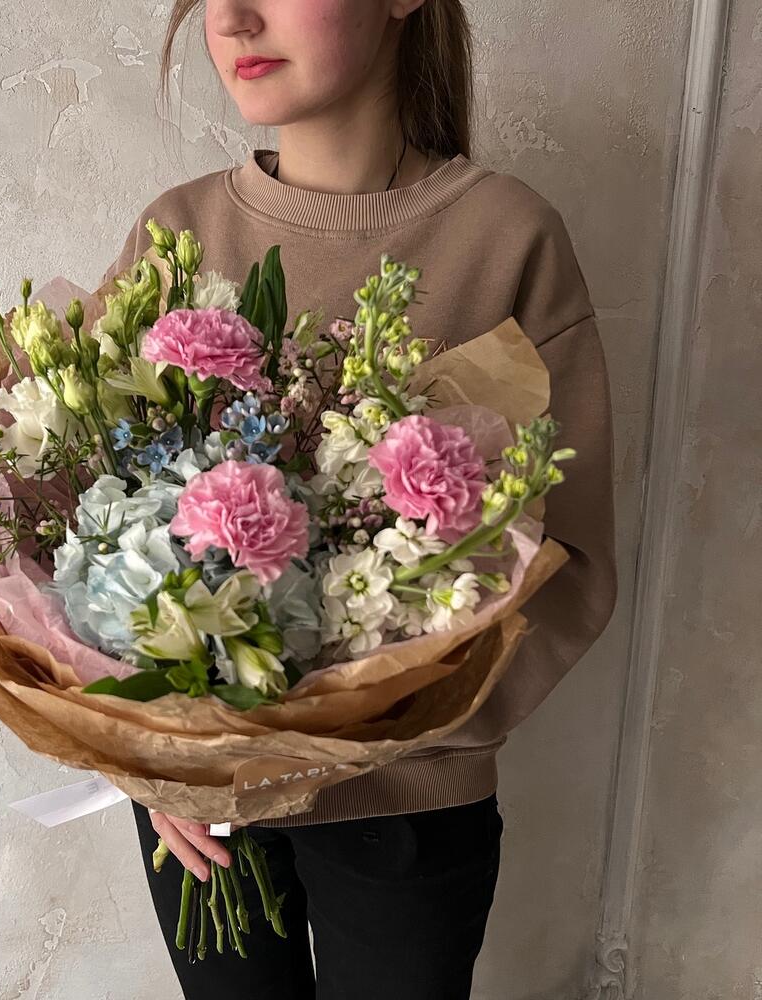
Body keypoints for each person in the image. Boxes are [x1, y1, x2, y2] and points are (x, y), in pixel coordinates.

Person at [100, 2, 618, 997]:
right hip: (207, 812)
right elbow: (94, 524)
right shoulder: (178, 235)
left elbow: (571, 560)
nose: (233, 18)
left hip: (409, 807)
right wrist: (151, 754)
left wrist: (379, 720)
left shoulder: (505, 238)